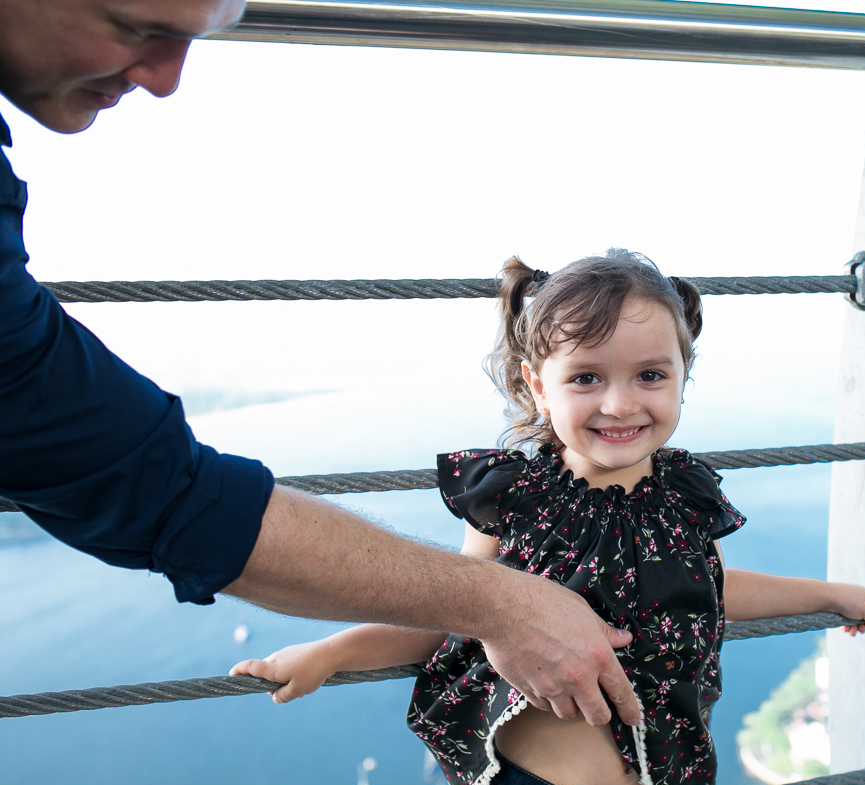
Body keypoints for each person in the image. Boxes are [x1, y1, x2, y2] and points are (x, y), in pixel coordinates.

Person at [0, 0, 641, 729]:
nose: (167, 79)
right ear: (535, 382)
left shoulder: (669, 490)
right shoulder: (510, 491)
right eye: (136, 26)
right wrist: (495, 604)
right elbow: (158, 494)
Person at [231, 250, 865, 785]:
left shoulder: (683, 498)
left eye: (651, 375)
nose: (619, 403)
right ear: (538, 386)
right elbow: (450, 610)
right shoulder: (515, 498)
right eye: (585, 378)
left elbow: (710, 589)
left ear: (685, 377)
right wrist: (332, 653)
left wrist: (827, 595)